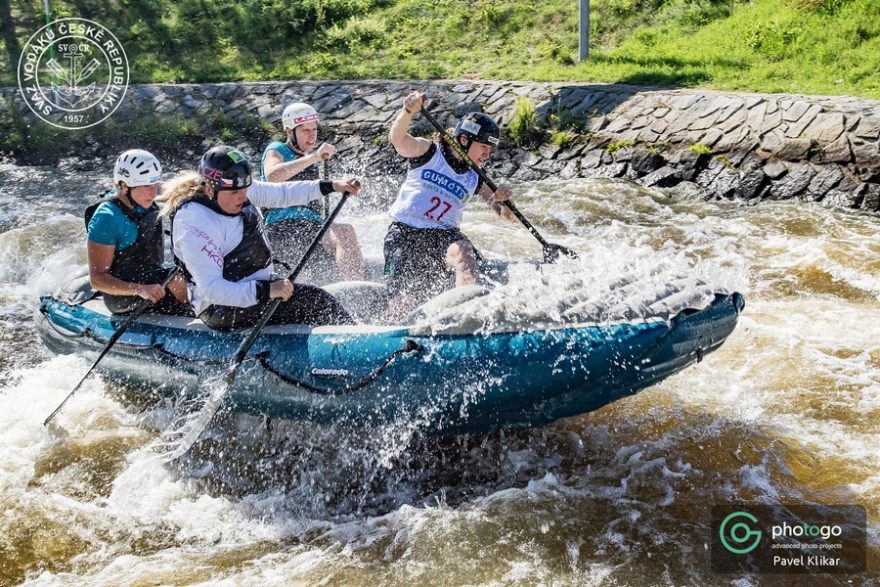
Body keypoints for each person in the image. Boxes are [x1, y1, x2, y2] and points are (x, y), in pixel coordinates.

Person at [162, 145, 360, 331]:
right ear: (209, 190)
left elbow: (282, 194)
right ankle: (354, 348)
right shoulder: (194, 224)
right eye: (235, 193)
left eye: (244, 190)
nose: (242, 197)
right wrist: (267, 291)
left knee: (307, 294)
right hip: (220, 307)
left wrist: (332, 186)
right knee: (317, 300)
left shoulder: (237, 188)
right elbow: (212, 290)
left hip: (255, 286)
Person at [384, 92, 515, 316]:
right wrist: (407, 112)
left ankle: (467, 316)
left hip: (444, 237)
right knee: (401, 307)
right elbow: (397, 140)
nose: (487, 155)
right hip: (405, 235)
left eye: (490, 150)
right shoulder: (428, 152)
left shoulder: (476, 176)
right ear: (464, 140)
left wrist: (506, 202)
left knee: (464, 250)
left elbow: (505, 214)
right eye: (484, 147)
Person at [260, 102, 365, 282]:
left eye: (314, 130)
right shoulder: (277, 149)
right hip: (282, 226)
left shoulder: (306, 159)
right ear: (289, 132)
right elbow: (272, 175)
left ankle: (358, 289)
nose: (311, 136)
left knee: (345, 232)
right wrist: (314, 157)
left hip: (312, 226)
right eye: (304, 131)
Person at [86, 149, 192, 316]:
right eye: (146, 186)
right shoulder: (106, 218)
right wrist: (140, 289)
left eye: (155, 184)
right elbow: (97, 279)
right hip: (122, 296)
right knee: (175, 280)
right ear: (123, 186)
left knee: (188, 275)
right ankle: (195, 315)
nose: (153, 192)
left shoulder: (145, 203)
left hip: (152, 282)